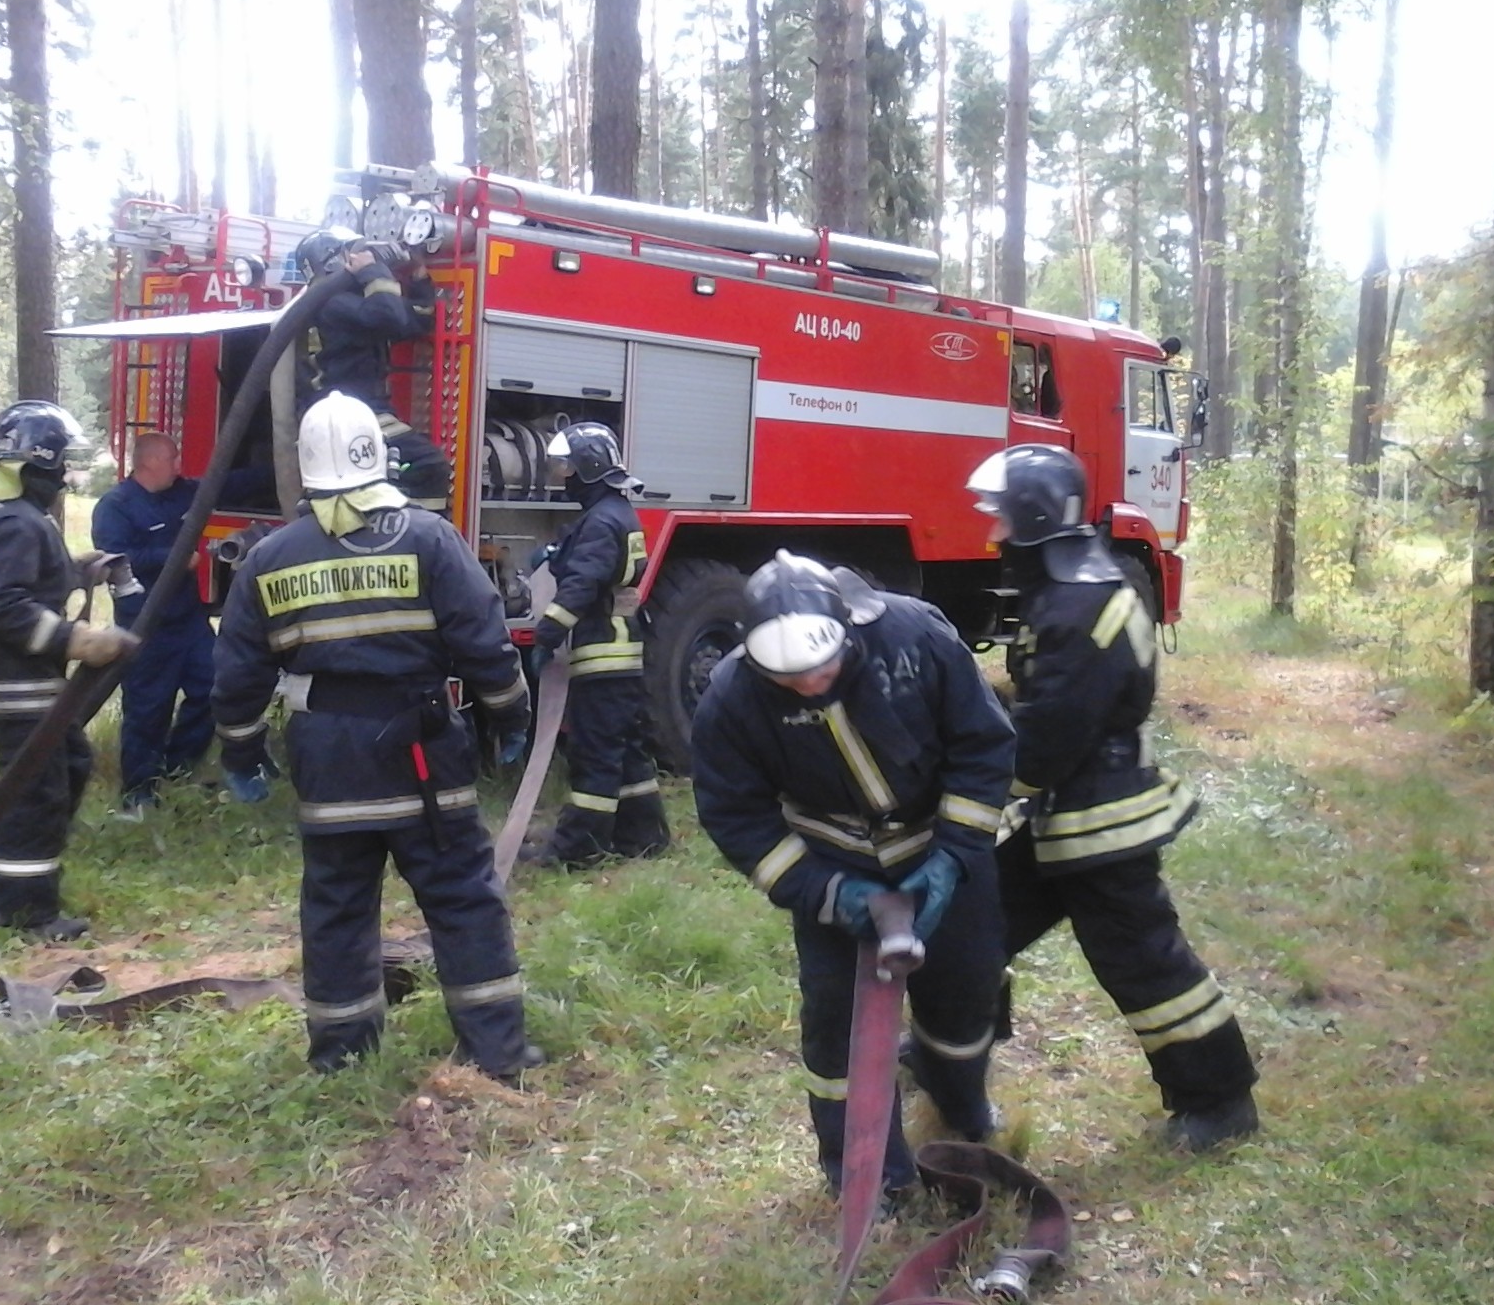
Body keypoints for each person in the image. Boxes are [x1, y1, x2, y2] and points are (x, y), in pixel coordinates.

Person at [211, 392, 538, 1076]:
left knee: (336, 909)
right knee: (461, 900)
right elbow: (485, 645)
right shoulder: (428, 538)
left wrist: (241, 751)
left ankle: (341, 1055)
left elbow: (239, 673)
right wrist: (509, 716)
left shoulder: (270, 557)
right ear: (377, 458)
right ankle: (497, 1054)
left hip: (327, 757)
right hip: (421, 755)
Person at [691, 550, 1014, 1198]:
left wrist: (952, 859)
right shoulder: (732, 697)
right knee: (836, 1028)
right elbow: (736, 815)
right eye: (791, 678)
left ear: (849, 629)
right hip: (834, 865)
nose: (812, 684)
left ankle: (961, 1101)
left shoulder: (916, 638)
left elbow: (983, 746)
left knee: (967, 990)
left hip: (937, 848)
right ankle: (865, 1174)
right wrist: (827, 893)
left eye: (823, 667)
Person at [966, 445, 1260, 1152]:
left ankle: (1220, 1103)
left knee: (1148, 966)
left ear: (1033, 520)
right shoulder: (1076, 589)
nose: (992, 533)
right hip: (1065, 818)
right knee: (973, 930)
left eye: (1001, 518)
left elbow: (1051, 737)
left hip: (1101, 827)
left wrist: (971, 794)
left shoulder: (1077, 604)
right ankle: (952, 1049)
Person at [0, 400, 135, 940]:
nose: (65, 476)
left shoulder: (15, 516)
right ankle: (24, 912)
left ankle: (3, 875)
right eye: (61, 464)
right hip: (16, 684)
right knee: (36, 792)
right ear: (41, 461)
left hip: (25, 680)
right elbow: (2, 604)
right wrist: (75, 638)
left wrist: (79, 569)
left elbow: (22, 582)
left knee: (69, 765)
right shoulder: (14, 520)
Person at [524, 422, 668, 866]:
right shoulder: (612, 512)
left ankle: (579, 849)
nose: (562, 475)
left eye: (566, 466)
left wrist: (545, 635)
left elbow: (582, 585)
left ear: (588, 467)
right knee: (627, 752)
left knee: (596, 755)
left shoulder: (601, 520)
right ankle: (644, 836)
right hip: (621, 652)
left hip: (602, 653)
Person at [91, 433, 216, 813]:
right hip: (145, 626)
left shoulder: (182, 493)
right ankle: (138, 793)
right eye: (173, 459)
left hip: (189, 620)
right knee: (148, 709)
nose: (180, 466)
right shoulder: (115, 506)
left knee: (216, 687)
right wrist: (172, 557)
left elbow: (226, 482)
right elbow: (117, 557)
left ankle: (178, 766)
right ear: (149, 463)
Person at [295, 226, 454, 511]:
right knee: (428, 465)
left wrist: (417, 277)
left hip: (361, 409)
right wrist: (373, 271)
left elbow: (414, 321)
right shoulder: (331, 303)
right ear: (336, 261)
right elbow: (388, 316)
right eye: (356, 251)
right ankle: (417, 537)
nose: (366, 254)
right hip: (344, 414)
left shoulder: (345, 303)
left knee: (398, 469)